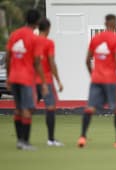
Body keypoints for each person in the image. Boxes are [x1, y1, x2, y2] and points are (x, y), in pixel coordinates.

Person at [77, 14, 116, 149]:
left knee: (90, 107)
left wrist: (93, 75)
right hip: (111, 79)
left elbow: (87, 60)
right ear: (115, 24)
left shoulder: (95, 38)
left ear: (105, 23)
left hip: (96, 78)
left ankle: (82, 137)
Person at [6, 9, 48, 150]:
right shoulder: (34, 39)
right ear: (37, 22)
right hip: (26, 78)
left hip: (14, 76)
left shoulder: (14, 34)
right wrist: (43, 82)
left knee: (18, 109)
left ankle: (19, 141)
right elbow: (37, 62)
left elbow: (8, 57)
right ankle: (25, 142)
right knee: (28, 109)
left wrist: (8, 77)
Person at [36, 18, 64, 146]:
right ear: (48, 28)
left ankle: (23, 139)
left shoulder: (32, 41)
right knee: (50, 108)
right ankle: (51, 139)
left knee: (26, 109)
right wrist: (58, 81)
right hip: (46, 80)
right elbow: (52, 63)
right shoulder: (49, 43)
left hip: (31, 81)